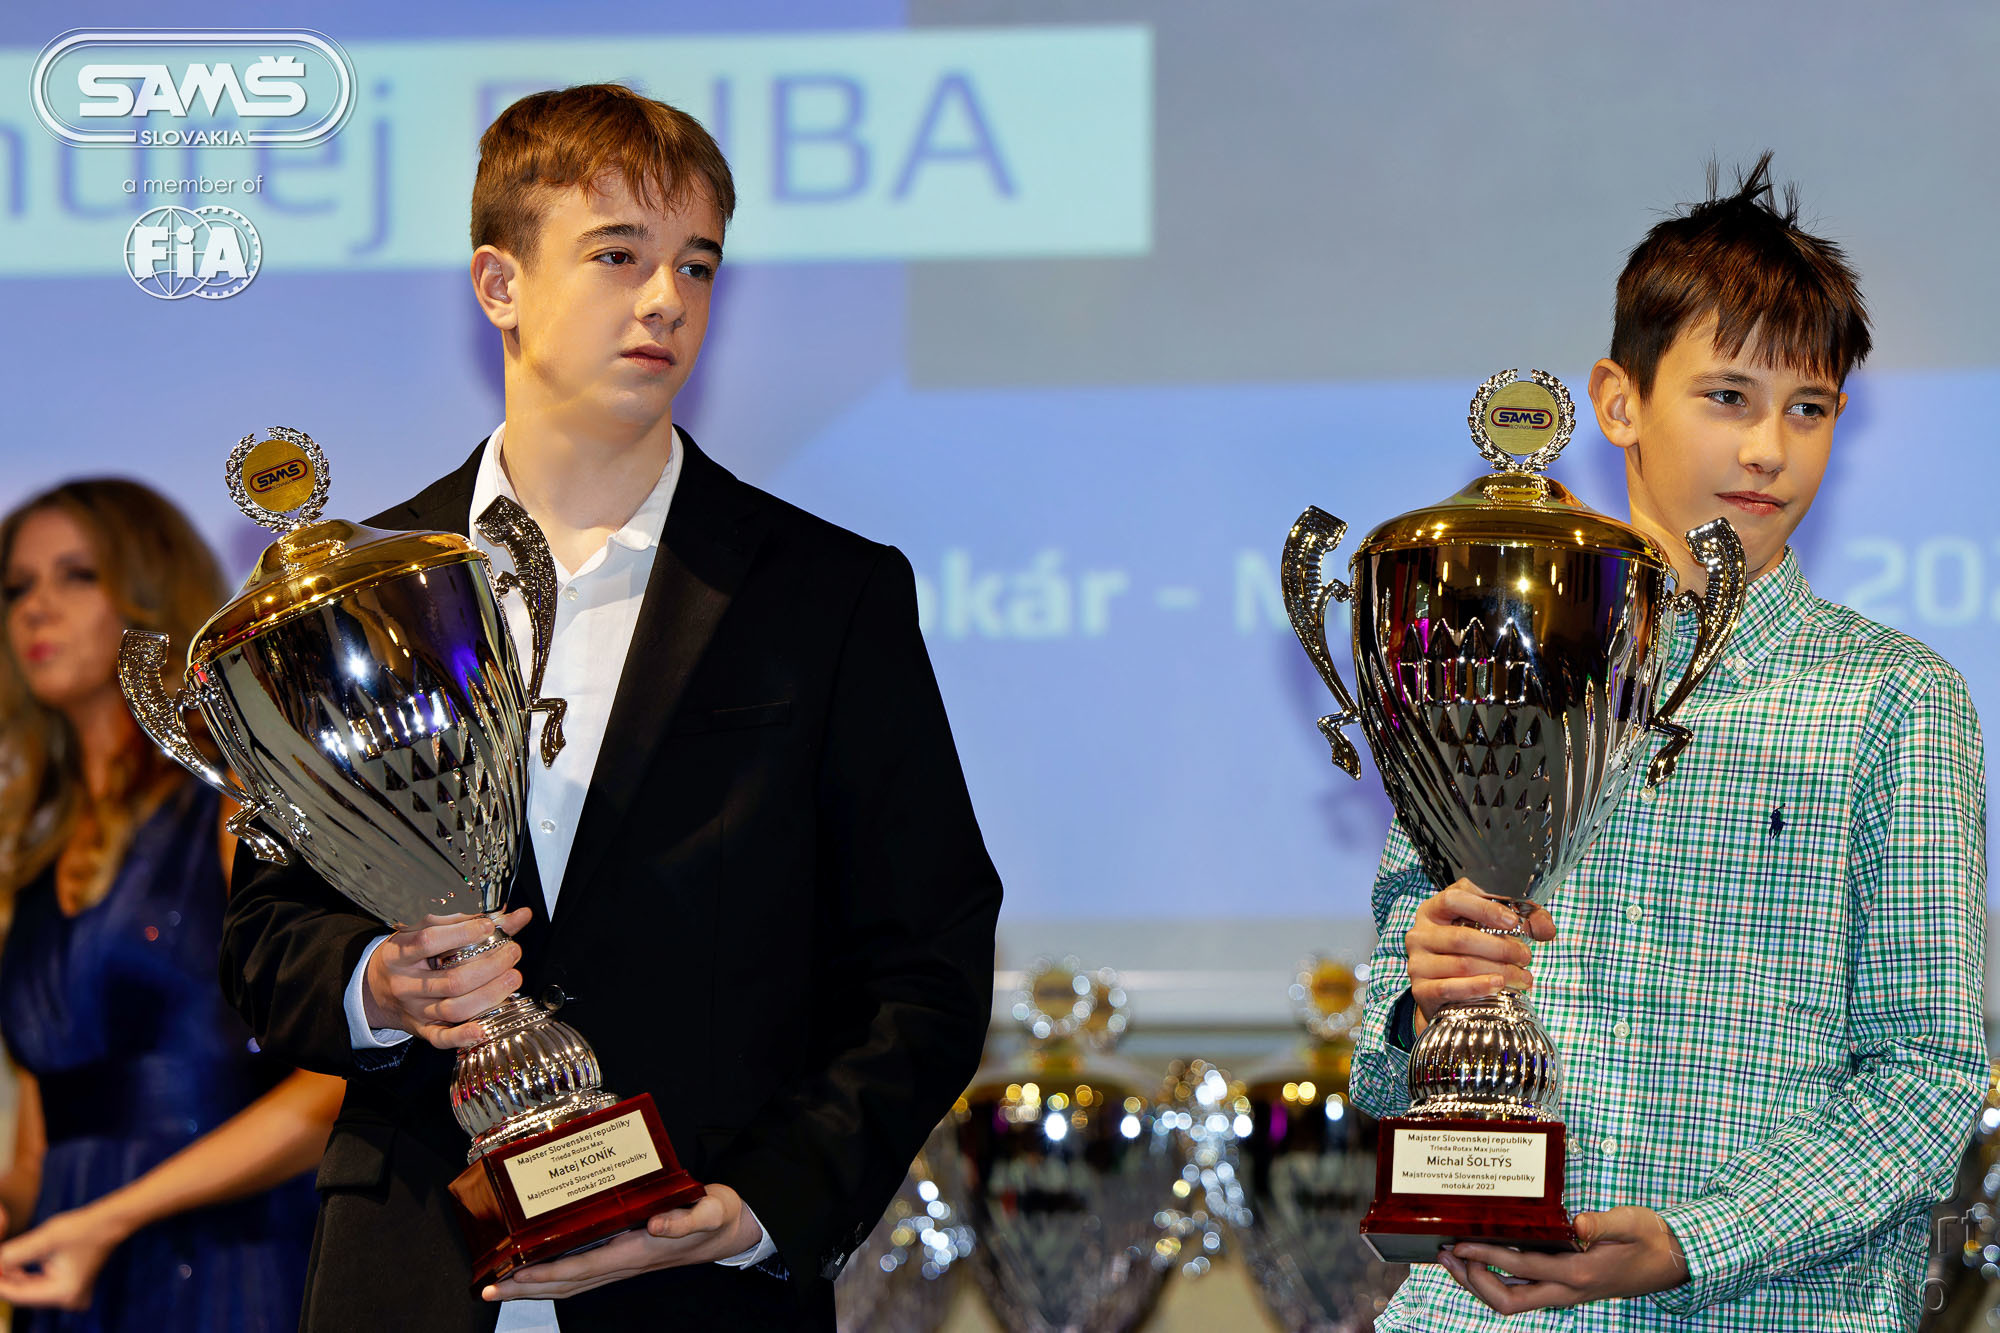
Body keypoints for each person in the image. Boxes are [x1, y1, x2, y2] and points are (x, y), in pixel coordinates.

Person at [218, 83, 1003, 1332]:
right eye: (617, 255)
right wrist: (379, 983)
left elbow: (926, 962)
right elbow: (267, 936)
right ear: (499, 284)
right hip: (414, 1266)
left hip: (695, 1275)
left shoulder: (824, 592)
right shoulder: (359, 594)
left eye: (696, 264)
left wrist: (763, 1204)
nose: (665, 300)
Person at [1349, 156, 1988, 1330]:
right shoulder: (1490, 646)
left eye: (1807, 409)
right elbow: (1388, 1046)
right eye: (1727, 397)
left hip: (1771, 1307)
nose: (1767, 449)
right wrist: (1421, 996)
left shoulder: (1893, 699)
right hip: (1482, 1306)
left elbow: (1925, 1076)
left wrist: (1695, 1240)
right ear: (1617, 401)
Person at [0, 479, 342, 1331]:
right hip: (72, 1282)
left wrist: (115, 1216)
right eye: (16, 587)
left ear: (150, 592)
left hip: (236, 1265)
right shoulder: (33, 858)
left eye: (77, 574)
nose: (36, 606)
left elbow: (336, 1086)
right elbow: (41, 1148)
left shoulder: (231, 802)